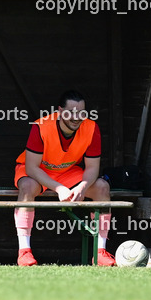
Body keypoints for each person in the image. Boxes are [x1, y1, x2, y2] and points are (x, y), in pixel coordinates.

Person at [13, 90, 114, 267]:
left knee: (102, 187)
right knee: (27, 186)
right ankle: (24, 251)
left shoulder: (91, 127)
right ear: (59, 111)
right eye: (72, 112)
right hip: (38, 172)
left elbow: (92, 168)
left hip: (68, 171)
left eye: (82, 112)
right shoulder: (41, 126)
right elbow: (31, 168)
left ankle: (100, 252)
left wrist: (82, 187)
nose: (77, 117)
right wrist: (59, 188)